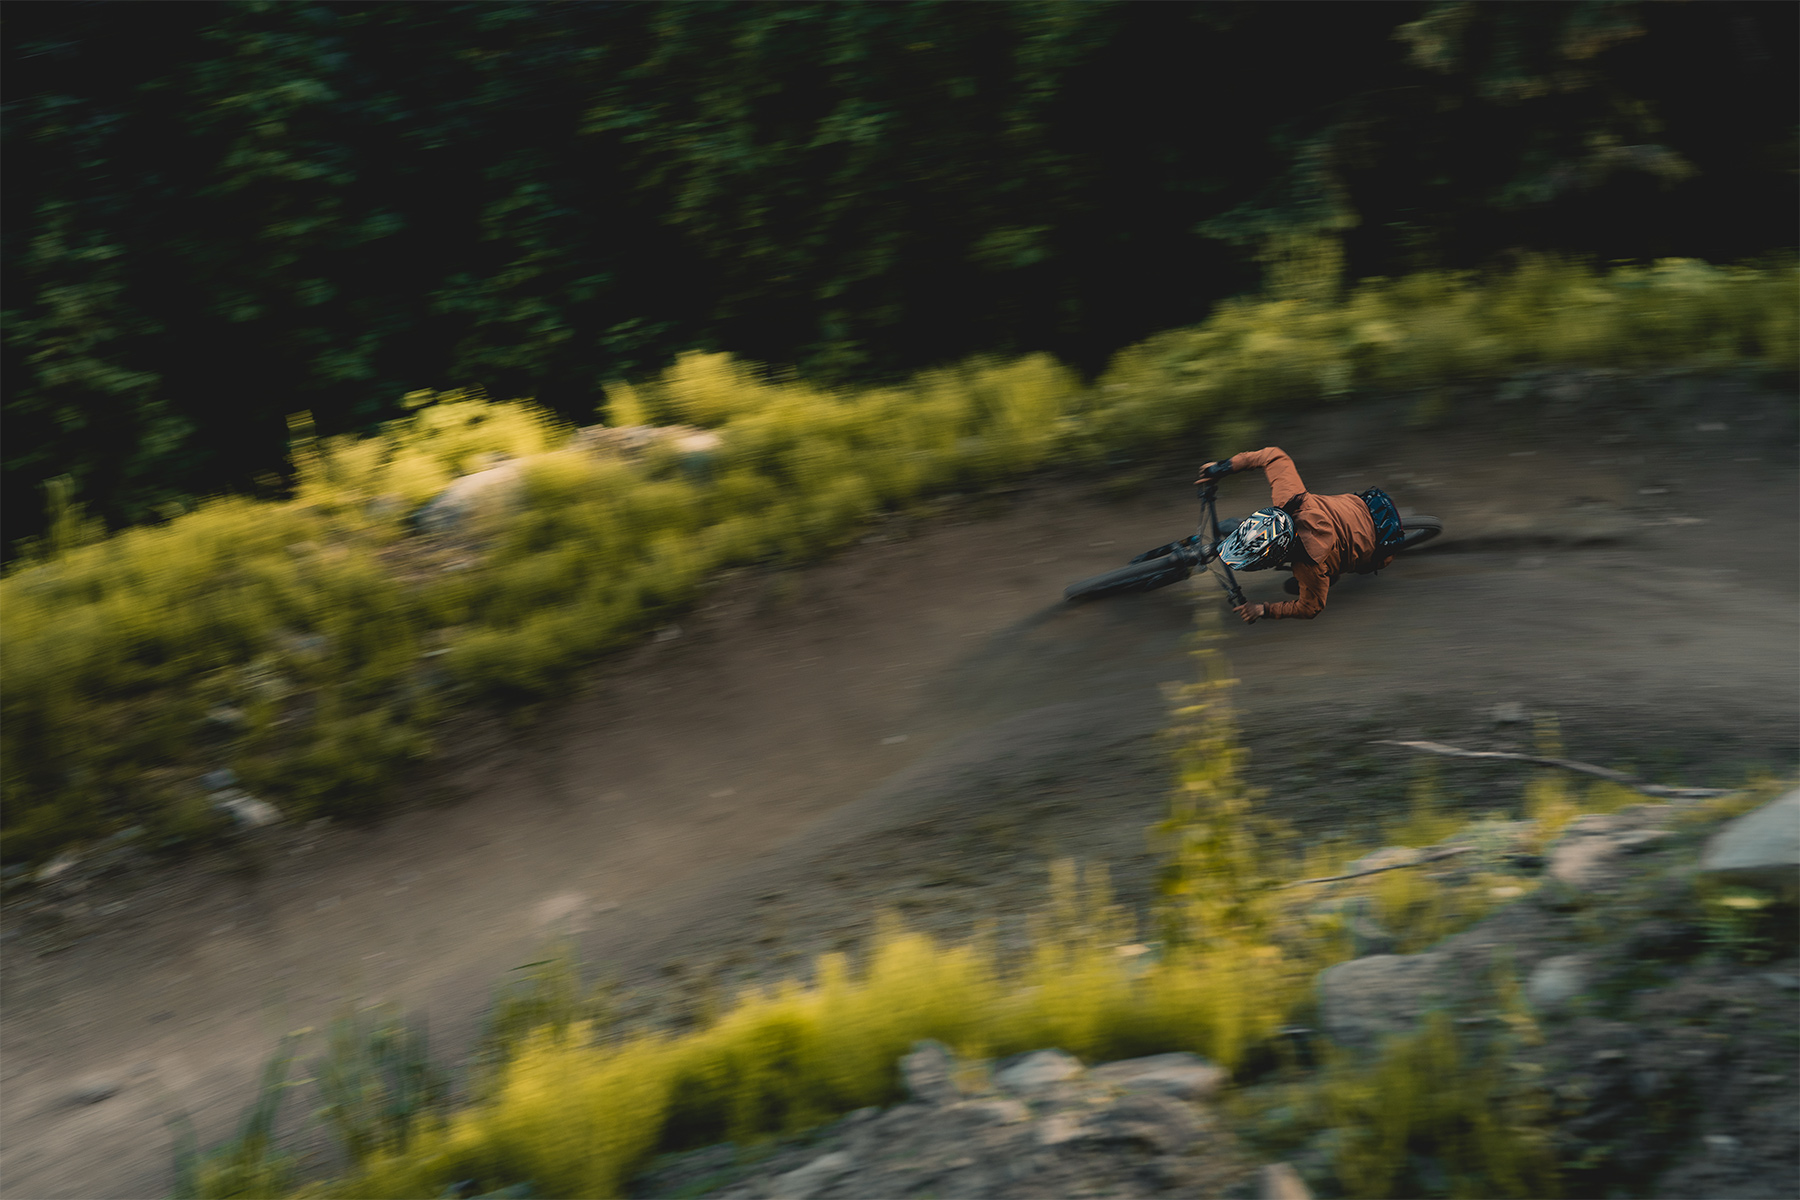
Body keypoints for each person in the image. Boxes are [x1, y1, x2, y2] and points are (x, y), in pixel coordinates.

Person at [1195, 447, 1402, 624]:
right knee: (1326, 559)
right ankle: (1331, 570)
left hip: (1379, 546)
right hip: (1365, 507)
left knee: (1327, 570)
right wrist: (1221, 468)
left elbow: (1310, 608)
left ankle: (1332, 576)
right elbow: (1273, 456)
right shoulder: (1291, 499)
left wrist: (1262, 609)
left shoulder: (1309, 568)